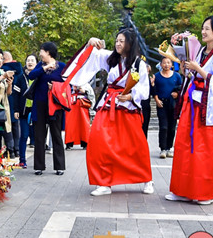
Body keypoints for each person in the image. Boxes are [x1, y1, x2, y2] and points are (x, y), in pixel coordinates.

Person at [63, 28, 154, 196]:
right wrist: (91, 42)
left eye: (122, 41)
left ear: (130, 43)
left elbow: (145, 90)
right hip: (108, 104)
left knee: (134, 145)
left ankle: (146, 179)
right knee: (99, 142)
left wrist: (131, 95)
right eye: (117, 40)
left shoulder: (139, 64)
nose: (118, 44)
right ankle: (104, 182)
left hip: (127, 107)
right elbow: (92, 54)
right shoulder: (111, 58)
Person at [166, 15, 213, 205]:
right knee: (184, 146)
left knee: (205, 150)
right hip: (192, 102)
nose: (203, 32)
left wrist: (199, 69)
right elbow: (188, 72)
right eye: (203, 28)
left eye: (207, 29)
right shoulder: (200, 51)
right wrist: (183, 58)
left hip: (209, 107)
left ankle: (204, 193)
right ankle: (181, 189)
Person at [28, 42, 66, 176]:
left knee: (56, 135)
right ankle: (39, 166)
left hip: (55, 105)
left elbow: (68, 85)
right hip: (39, 104)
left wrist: (54, 87)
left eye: (42, 51)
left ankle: (59, 166)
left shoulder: (62, 66)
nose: (40, 53)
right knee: (39, 135)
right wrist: (45, 68)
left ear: (48, 52)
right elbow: (31, 76)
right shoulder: (40, 65)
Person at [153, 57, 182, 158]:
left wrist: (177, 94)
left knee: (172, 127)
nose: (166, 64)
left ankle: (169, 148)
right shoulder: (157, 76)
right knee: (163, 127)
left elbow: (182, 89)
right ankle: (163, 149)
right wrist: (156, 100)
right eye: (164, 62)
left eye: (168, 62)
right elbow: (154, 89)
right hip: (161, 104)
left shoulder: (177, 76)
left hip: (173, 104)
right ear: (160, 64)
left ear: (171, 65)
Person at [2, 51, 23, 158]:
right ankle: (17, 149)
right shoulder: (20, 69)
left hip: (7, 99)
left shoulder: (4, 70)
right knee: (16, 125)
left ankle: (10, 150)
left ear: (4, 58)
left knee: (7, 126)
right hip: (17, 100)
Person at [17, 54, 37, 168]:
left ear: (36, 63)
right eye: (28, 60)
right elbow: (15, 94)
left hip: (37, 110)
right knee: (24, 135)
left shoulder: (39, 76)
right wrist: (16, 109)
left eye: (32, 60)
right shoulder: (20, 77)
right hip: (23, 110)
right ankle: (22, 160)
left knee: (38, 137)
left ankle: (38, 163)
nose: (30, 62)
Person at [64, 83, 95, 150]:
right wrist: (72, 89)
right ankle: (69, 143)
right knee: (70, 124)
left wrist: (85, 91)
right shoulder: (69, 83)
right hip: (71, 104)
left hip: (83, 105)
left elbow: (92, 96)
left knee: (84, 124)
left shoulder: (85, 83)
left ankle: (85, 142)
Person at [141, 63, 154, 138]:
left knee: (145, 126)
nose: (147, 73)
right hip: (137, 106)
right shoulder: (135, 80)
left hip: (146, 106)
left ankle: (144, 143)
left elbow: (153, 93)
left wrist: (152, 85)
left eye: (148, 72)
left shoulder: (149, 81)